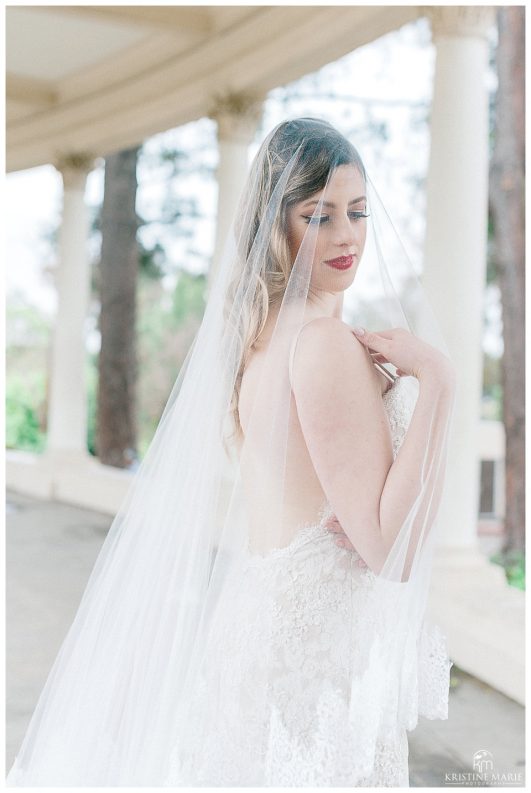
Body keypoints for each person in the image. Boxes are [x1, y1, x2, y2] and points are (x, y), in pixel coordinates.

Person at [7, 118, 456, 787]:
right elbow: (392, 549)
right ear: (277, 225)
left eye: (358, 212)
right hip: (314, 662)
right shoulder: (322, 344)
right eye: (319, 215)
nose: (347, 236)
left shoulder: (262, 340)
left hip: (259, 631)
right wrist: (438, 381)